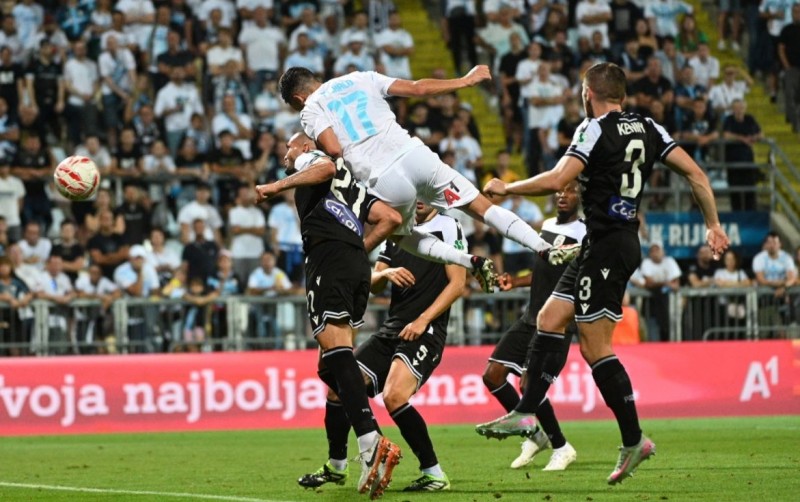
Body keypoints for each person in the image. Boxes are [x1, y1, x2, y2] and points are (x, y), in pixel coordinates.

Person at [478, 62, 729, 484]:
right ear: (623, 96)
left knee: (596, 348)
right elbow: (696, 174)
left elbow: (559, 178)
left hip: (609, 246)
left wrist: (508, 188)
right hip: (605, 243)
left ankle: (634, 440)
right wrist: (713, 224)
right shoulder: (650, 127)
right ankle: (526, 412)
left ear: (587, 93)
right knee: (549, 318)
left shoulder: (593, 128)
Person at [272, 66, 581, 292]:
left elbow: (334, 149)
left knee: (401, 235)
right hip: (415, 155)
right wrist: (465, 80)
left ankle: (468, 260)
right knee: (482, 207)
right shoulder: (359, 77)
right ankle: (544, 247)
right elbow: (418, 88)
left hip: (383, 178)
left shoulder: (311, 108)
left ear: (298, 98)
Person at [299, 201, 465, 492]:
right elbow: (372, 281)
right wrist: (386, 274)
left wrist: (423, 320)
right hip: (392, 329)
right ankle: (337, 466)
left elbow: (457, 284)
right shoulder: (398, 232)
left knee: (394, 396)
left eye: (425, 192)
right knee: (338, 388)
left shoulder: (448, 226)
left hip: (426, 331)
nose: (420, 199)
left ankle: (434, 473)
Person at [277, 132, 404, 499]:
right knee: (332, 369)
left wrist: (274, 187)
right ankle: (336, 464)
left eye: (288, 148)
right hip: (354, 266)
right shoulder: (350, 185)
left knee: (336, 354)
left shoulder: (312, 160)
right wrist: (358, 248)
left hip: (328, 260)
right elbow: (390, 217)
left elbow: (324, 167)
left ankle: (370, 441)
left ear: (304, 146)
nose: (286, 155)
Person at [483, 182, 584, 471]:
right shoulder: (547, 226)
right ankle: (534, 435)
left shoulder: (585, 233)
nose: (563, 195)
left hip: (556, 323)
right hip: (531, 316)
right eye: (560, 190)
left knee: (529, 384)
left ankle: (561, 447)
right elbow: (543, 271)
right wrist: (515, 281)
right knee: (493, 375)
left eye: (571, 190)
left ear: (581, 196)